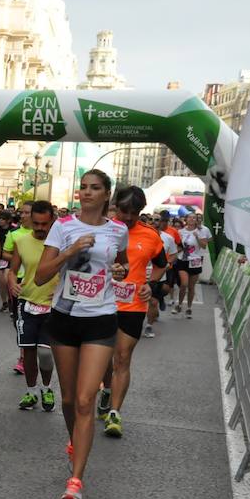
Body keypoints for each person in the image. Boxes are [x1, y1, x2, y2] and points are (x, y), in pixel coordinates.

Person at [35, 169, 128, 499]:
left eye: (95, 188)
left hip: (101, 319)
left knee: (87, 400)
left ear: (107, 195)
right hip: (64, 319)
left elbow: (123, 265)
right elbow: (42, 275)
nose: (87, 193)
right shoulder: (63, 227)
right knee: (70, 401)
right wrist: (69, 251)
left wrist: (120, 272)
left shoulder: (119, 231)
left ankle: (76, 481)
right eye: (83, 187)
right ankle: (75, 441)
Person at [97, 187, 168, 438]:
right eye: (124, 211)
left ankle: (115, 413)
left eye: (134, 213)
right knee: (103, 358)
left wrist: (150, 284)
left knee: (122, 358)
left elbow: (160, 266)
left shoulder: (150, 236)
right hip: (99, 303)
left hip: (132, 306)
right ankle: (106, 391)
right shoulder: (102, 228)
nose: (128, 217)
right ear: (115, 207)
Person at [8, 200, 58, 411]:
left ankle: (47, 388)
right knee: (28, 351)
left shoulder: (60, 243)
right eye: (35, 223)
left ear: (52, 221)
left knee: (45, 354)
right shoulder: (21, 241)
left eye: (44, 224)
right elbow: (12, 270)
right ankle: (31, 391)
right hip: (27, 301)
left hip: (53, 304)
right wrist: (11, 281)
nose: (39, 228)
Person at [2, 202, 33, 373]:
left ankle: (33, 351)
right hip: (18, 278)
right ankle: (23, 355)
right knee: (20, 320)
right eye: (21, 212)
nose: (22, 215)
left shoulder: (45, 233)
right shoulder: (14, 233)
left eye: (27, 212)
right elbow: (5, 253)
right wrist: (19, 255)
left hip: (37, 279)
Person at [144, 213, 179, 337]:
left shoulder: (168, 238)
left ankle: (149, 326)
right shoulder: (138, 235)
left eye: (157, 220)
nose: (153, 221)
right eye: (151, 219)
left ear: (161, 222)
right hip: (138, 275)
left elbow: (174, 254)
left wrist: (167, 264)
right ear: (147, 221)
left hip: (157, 276)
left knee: (153, 302)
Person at [173, 212, 211, 319]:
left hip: (195, 261)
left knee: (191, 287)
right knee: (184, 284)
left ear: (196, 220)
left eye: (194, 218)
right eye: (189, 217)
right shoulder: (180, 231)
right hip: (183, 260)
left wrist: (198, 237)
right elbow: (176, 245)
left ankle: (189, 308)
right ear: (186, 219)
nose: (192, 219)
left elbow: (204, 246)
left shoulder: (200, 231)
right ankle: (179, 304)